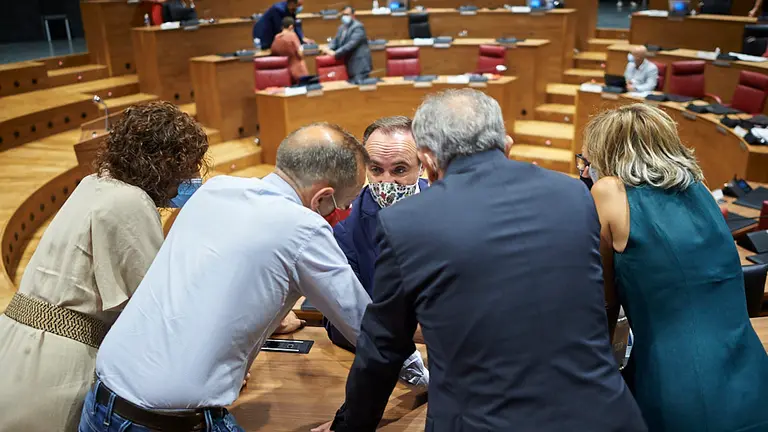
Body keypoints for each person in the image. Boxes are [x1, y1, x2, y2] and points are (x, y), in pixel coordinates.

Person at [315, 89, 647, 432]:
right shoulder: (574, 193)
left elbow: (382, 349)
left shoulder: (407, 223)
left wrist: (348, 427)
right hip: (603, 415)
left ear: (427, 162)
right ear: (506, 145)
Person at [78, 123, 424, 432]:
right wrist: (425, 378)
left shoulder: (215, 190)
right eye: (338, 207)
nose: (338, 216)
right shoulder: (303, 228)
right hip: (168, 421)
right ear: (322, 197)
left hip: (100, 400)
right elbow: (370, 329)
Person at [0, 102, 209, 432]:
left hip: (14, 346)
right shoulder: (130, 202)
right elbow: (156, 309)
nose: (194, 177)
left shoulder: (93, 184)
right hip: (55, 370)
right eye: (189, 166)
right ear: (166, 163)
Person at [585, 103, 768, 432]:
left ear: (607, 151)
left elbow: (604, 302)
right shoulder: (700, 189)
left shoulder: (609, 191)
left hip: (680, 383)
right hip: (750, 374)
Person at [326, 117, 429, 369]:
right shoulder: (345, 228)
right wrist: (410, 332)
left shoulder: (452, 207)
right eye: (376, 169)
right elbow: (337, 324)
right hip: (388, 362)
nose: (386, 182)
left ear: (423, 165)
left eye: (399, 170)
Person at [323, 7, 372, 82]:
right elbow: (335, 41)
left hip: (359, 66)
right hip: (348, 65)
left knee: (360, 91)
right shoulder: (341, 27)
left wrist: (335, 53)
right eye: (343, 14)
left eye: (347, 14)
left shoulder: (358, 27)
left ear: (353, 15)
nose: (344, 17)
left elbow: (350, 45)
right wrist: (328, 48)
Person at [270, 16, 310, 82]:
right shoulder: (292, 35)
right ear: (291, 27)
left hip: (284, 71)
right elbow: (300, 53)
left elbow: (273, 52)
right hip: (298, 71)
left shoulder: (276, 37)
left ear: (282, 27)